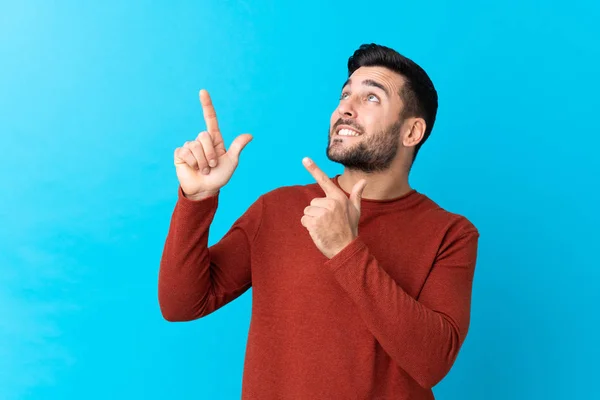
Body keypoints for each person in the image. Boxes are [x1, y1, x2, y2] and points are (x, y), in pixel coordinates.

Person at [158, 43, 479, 399]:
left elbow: (432, 362)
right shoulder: (277, 209)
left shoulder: (451, 234)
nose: (345, 108)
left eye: (371, 98)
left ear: (411, 132)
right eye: (345, 95)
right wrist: (197, 200)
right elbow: (181, 304)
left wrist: (346, 249)